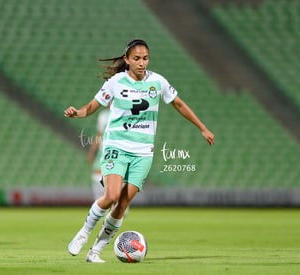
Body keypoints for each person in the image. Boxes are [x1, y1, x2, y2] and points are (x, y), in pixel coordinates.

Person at [64, 39, 214, 263]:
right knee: (112, 196)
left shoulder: (158, 82)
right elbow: (92, 106)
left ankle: (95, 251)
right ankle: (84, 232)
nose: (142, 63)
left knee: (122, 205)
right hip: (117, 146)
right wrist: (77, 112)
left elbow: (179, 104)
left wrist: (202, 127)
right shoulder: (116, 82)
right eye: (136, 58)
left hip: (143, 153)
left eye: (145, 58)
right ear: (127, 60)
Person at [86, 106, 109, 200]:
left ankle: (117, 204)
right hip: (104, 151)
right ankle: (99, 202)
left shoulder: (123, 113)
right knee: (98, 173)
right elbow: (99, 135)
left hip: (119, 150)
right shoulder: (103, 115)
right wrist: (92, 152)